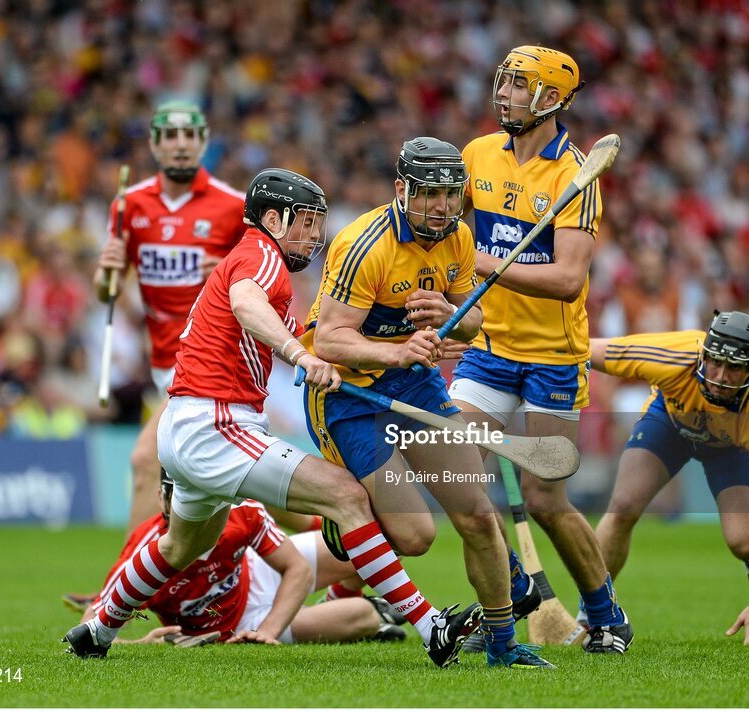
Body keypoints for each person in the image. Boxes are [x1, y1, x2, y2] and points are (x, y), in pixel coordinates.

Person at [63, 168, 482, 668]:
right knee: (347, 496)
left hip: (186, 427)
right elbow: (246, 304)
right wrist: (300, 358)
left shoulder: (261, 267)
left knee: (180, 545)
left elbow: (311, 336)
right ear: (271, 219)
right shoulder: (261, 255)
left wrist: (385, 350)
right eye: (303, 222)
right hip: (217, 424)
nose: (313, 234)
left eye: (316, 222)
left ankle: (98, 628)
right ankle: (430, 624)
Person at [301, 137, 553, 669]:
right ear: (401, 190)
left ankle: (503, 646)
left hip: (415, 387)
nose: (442, 206)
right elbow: (328, 340)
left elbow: (475, 319)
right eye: (430, 194)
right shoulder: (362, 245)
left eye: (451, 194)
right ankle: (346, 524)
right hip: (349, 395)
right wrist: (398, 352)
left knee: (478, 515)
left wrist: (449, 314)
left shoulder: (459, 238)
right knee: (414, 538)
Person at [447, 45, 631, 654]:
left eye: (518, 86)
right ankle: (517, 588)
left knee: (546, 497)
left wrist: (484, 262)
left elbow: (567, 279)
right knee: (451, 469)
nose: (503, 94)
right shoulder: (477, 155)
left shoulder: (573, 177)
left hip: (552, 355)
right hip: (490, 347)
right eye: (502, 82)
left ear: (551, 99)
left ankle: (606, 615)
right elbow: (450, 238)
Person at [590, 310, 749, 647]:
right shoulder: (676, 354)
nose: (721, 377)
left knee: (744, 540)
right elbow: (587, 349)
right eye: (715, 363)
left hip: (729, 448)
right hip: (669, 424)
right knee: (623, 505)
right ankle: (593, 612)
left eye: (735, 367)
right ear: (703, 355)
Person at [94, 100, 246, 533]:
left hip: (212, 362)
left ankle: (121, 588)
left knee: (147, 461)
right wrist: (106, 269)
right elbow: (106, 291)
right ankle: (333, 535)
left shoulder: (233, 207)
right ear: (155, 145)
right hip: (161, 361)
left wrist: (227, 269)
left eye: (189, 135)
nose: (180, 145)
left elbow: (268, 280)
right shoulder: (130, 205)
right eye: (170, 136)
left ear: (203, 142)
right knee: (215, 483)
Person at [75, 469, 407, 647]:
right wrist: (142, 644)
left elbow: (296, 569)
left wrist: (269, 630)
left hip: (258, 571)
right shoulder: (145, 550)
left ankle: (334, 602)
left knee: (370, 548)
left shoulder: (240, 513)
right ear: (161, 497)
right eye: (175, 495)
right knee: (363, 615)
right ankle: (370, 615)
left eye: (193, 494)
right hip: (235, 628)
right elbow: (91, 621)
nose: (187, 507)